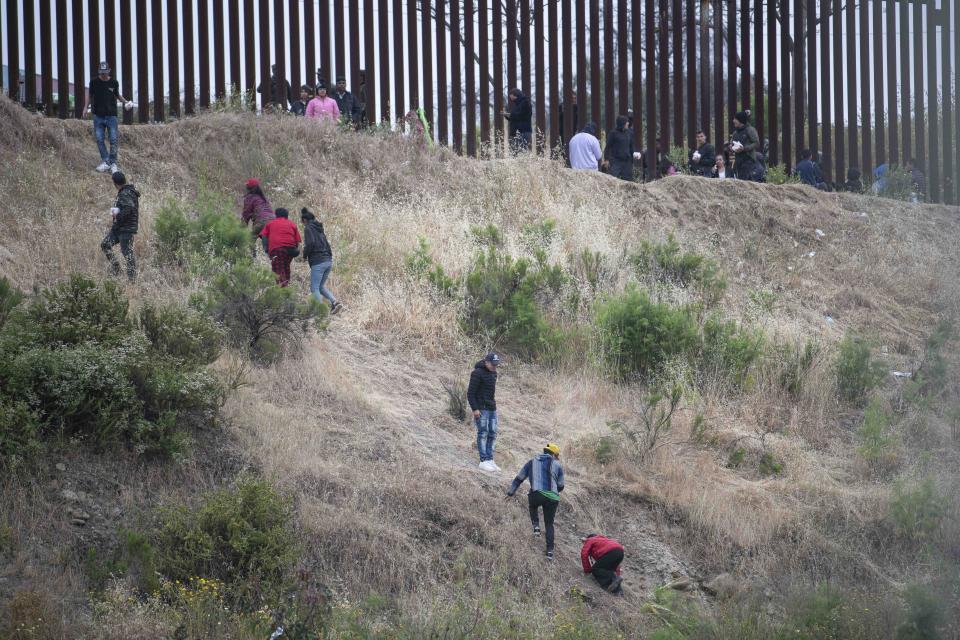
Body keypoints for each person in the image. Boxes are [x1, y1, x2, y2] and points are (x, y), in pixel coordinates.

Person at [506, 443, 565, 560]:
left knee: (532, 505)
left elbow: (519, 478)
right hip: (553, 497)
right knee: (549, 524)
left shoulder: (531, 462)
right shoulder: (557, 465)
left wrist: (510, 493)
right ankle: (549, 552)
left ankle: (536, 526)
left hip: (537, 494)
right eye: (557, 456)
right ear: (553, 454)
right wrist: (553, 490)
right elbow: (561, 485)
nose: (557, 458)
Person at [87, 61, 134, 174]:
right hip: (98, 115)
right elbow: (89, 95)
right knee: (99, 139)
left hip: (111, 115)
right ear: (100, 72)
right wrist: (85, 107)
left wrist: (126, 102)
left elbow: (117, 95)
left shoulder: (114, 82)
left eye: (105, 72)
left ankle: (112, 163)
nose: (103, 75)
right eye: (102, 73)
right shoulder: (94, 83)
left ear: (108, 71)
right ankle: (106, 161)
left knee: (113, 140)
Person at [300, 208, 342, 314]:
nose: (302, 224)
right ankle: (335, 302)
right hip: (328, 260)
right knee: (320, 287)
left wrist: (304, 256)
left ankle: (321, 311)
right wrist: (329, 257)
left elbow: (310, 244)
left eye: (302, 221)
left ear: (304, 220)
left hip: (318, 262)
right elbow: (327, 245)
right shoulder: (319, 229)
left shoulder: (308, 228)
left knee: (314, 288)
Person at [100, 171, 140, 282]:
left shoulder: (125, 193)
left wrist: (117, 215)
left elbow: (129, 208)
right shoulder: (127, 191)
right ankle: (116, 268)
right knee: (105, 245)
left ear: (115, 183)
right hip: (119, 228)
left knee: (127, 253)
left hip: (126, 229)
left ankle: (132, 280)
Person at [468, 352, 500, 471]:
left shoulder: (494, 373)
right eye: (492, 364)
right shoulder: (477, 373)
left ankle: (490, 459)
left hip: (492, 408)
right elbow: (470, 393)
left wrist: (493, 407)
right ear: (486, 362)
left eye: (496, 365)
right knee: (483, 433)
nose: (494, 367)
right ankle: (483, 460)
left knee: (492, 433)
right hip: (481, 408)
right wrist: (475, 409)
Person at [260, 208, 301, 287]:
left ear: (276, 215)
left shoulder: (270, 224)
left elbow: (264, 236)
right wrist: (294, 250)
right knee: (286, 268)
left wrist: (266, 249)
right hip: (291, 250)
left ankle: (283, 291)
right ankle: (286, 288)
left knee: (278, 270)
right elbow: (297, 241)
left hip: (277, 249)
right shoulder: (292, 224)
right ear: (287, 215)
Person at [241, 179, 276, 255]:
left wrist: (241, 230)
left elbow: (246, 214)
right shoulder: (263, 198)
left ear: (248, 188)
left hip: (262, 221)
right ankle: (273, 257)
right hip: (274, 221)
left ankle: (252, 258)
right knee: (271, 241)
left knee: (250, 239)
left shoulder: (249, 198)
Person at [730, 111, 762, 181]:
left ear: (740, 120)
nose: (733, 121)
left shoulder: (750, 130)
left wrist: (744, 148)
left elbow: (757, 143)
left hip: (748, 160)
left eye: (735, 119)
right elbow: (731, 143)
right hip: (738, 161)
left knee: (745, 181)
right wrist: (731, 147)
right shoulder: (735, 133)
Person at [602, 115, 635, 181]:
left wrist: (633, 156)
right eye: (626, 122)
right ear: (622, 124)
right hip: (616, 161)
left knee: (628, 181)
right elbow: (608, 147)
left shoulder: (629, 133)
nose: (628, 123)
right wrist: (606, 159)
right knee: (612, 180)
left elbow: (631, 146)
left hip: (627, 161)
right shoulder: (613, 133)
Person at [503, 88, 533, 154]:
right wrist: (506, 115)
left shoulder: (525, 103)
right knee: (514, 153)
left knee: (523, 153)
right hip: (516, 133)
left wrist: (511, 115)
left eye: (511, 96)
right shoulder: (516, 104)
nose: (510, 98)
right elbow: (515, 118)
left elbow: (521, 116)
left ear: (515, 95)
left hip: (524, 132)